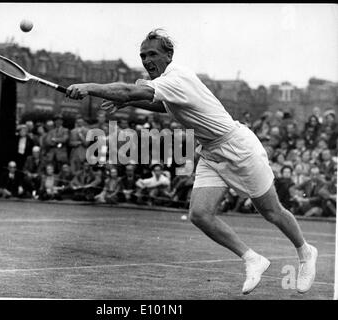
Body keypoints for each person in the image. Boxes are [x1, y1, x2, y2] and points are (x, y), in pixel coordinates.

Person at [66, 29, 317, 294]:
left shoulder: (178, 77)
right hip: (210, 151)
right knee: (199, 215)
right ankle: (253, 259)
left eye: (153, 54)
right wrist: (127, 102)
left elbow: (130, 89)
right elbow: (165, 106)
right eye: (143, 55)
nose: (147, 60)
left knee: (271, 211)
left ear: (169, 55)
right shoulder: (168, 83)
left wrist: (89, 88)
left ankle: (305, 251)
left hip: (239, 148)